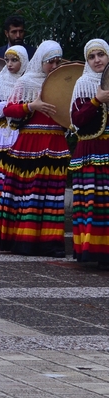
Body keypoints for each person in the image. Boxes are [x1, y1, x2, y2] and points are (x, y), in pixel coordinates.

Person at [0, 41, 69, 256]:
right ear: (40, 61)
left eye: (57, 61)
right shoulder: (26, 82)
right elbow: (8, 109)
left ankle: (50, 243)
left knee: (52, 197)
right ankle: (24, 241)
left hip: (55, 143)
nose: (54, 65)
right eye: (50, 62)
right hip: (30, 143)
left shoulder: (65, 83)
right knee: (29, 193)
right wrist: (31, 106)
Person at [71, 39, 109, 266]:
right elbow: (77, 119)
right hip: (92, 151)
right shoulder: (83, 84)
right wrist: (96, 100)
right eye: (92, 57)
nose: (97, 60)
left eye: (101, 55)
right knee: (93, 202)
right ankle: (92, 251)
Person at [0, 45, 28, 235]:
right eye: (7, 60)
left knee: (18, 181)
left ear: (24, 61)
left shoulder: (28, 82)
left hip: (21, 135)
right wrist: (9, 105)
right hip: (2, 136)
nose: (9, 64)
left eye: (14, 60)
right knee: (0, 181)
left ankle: (15, 223)